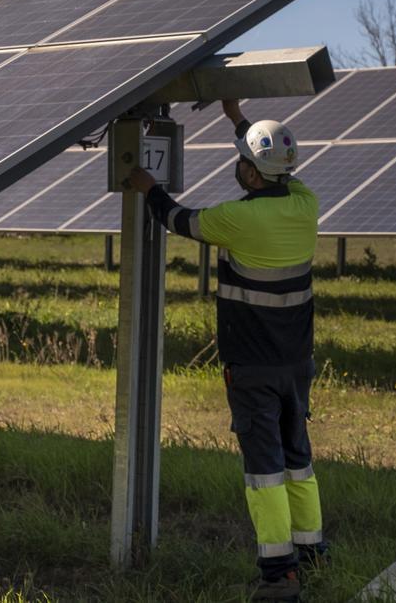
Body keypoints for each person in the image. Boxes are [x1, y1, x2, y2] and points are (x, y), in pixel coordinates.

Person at [128, 100, 325, 602]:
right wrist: (236, 117)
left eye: (242, 162)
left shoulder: (237, 220)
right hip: (296, 362)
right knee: (298, 457)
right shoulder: (306, 203)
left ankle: (278, 572)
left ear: (253, 177)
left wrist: (148, 187)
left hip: (253, 366)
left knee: (264, 468)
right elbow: (268, 160)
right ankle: (313, 555)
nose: (236, 167)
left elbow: (178, 219)